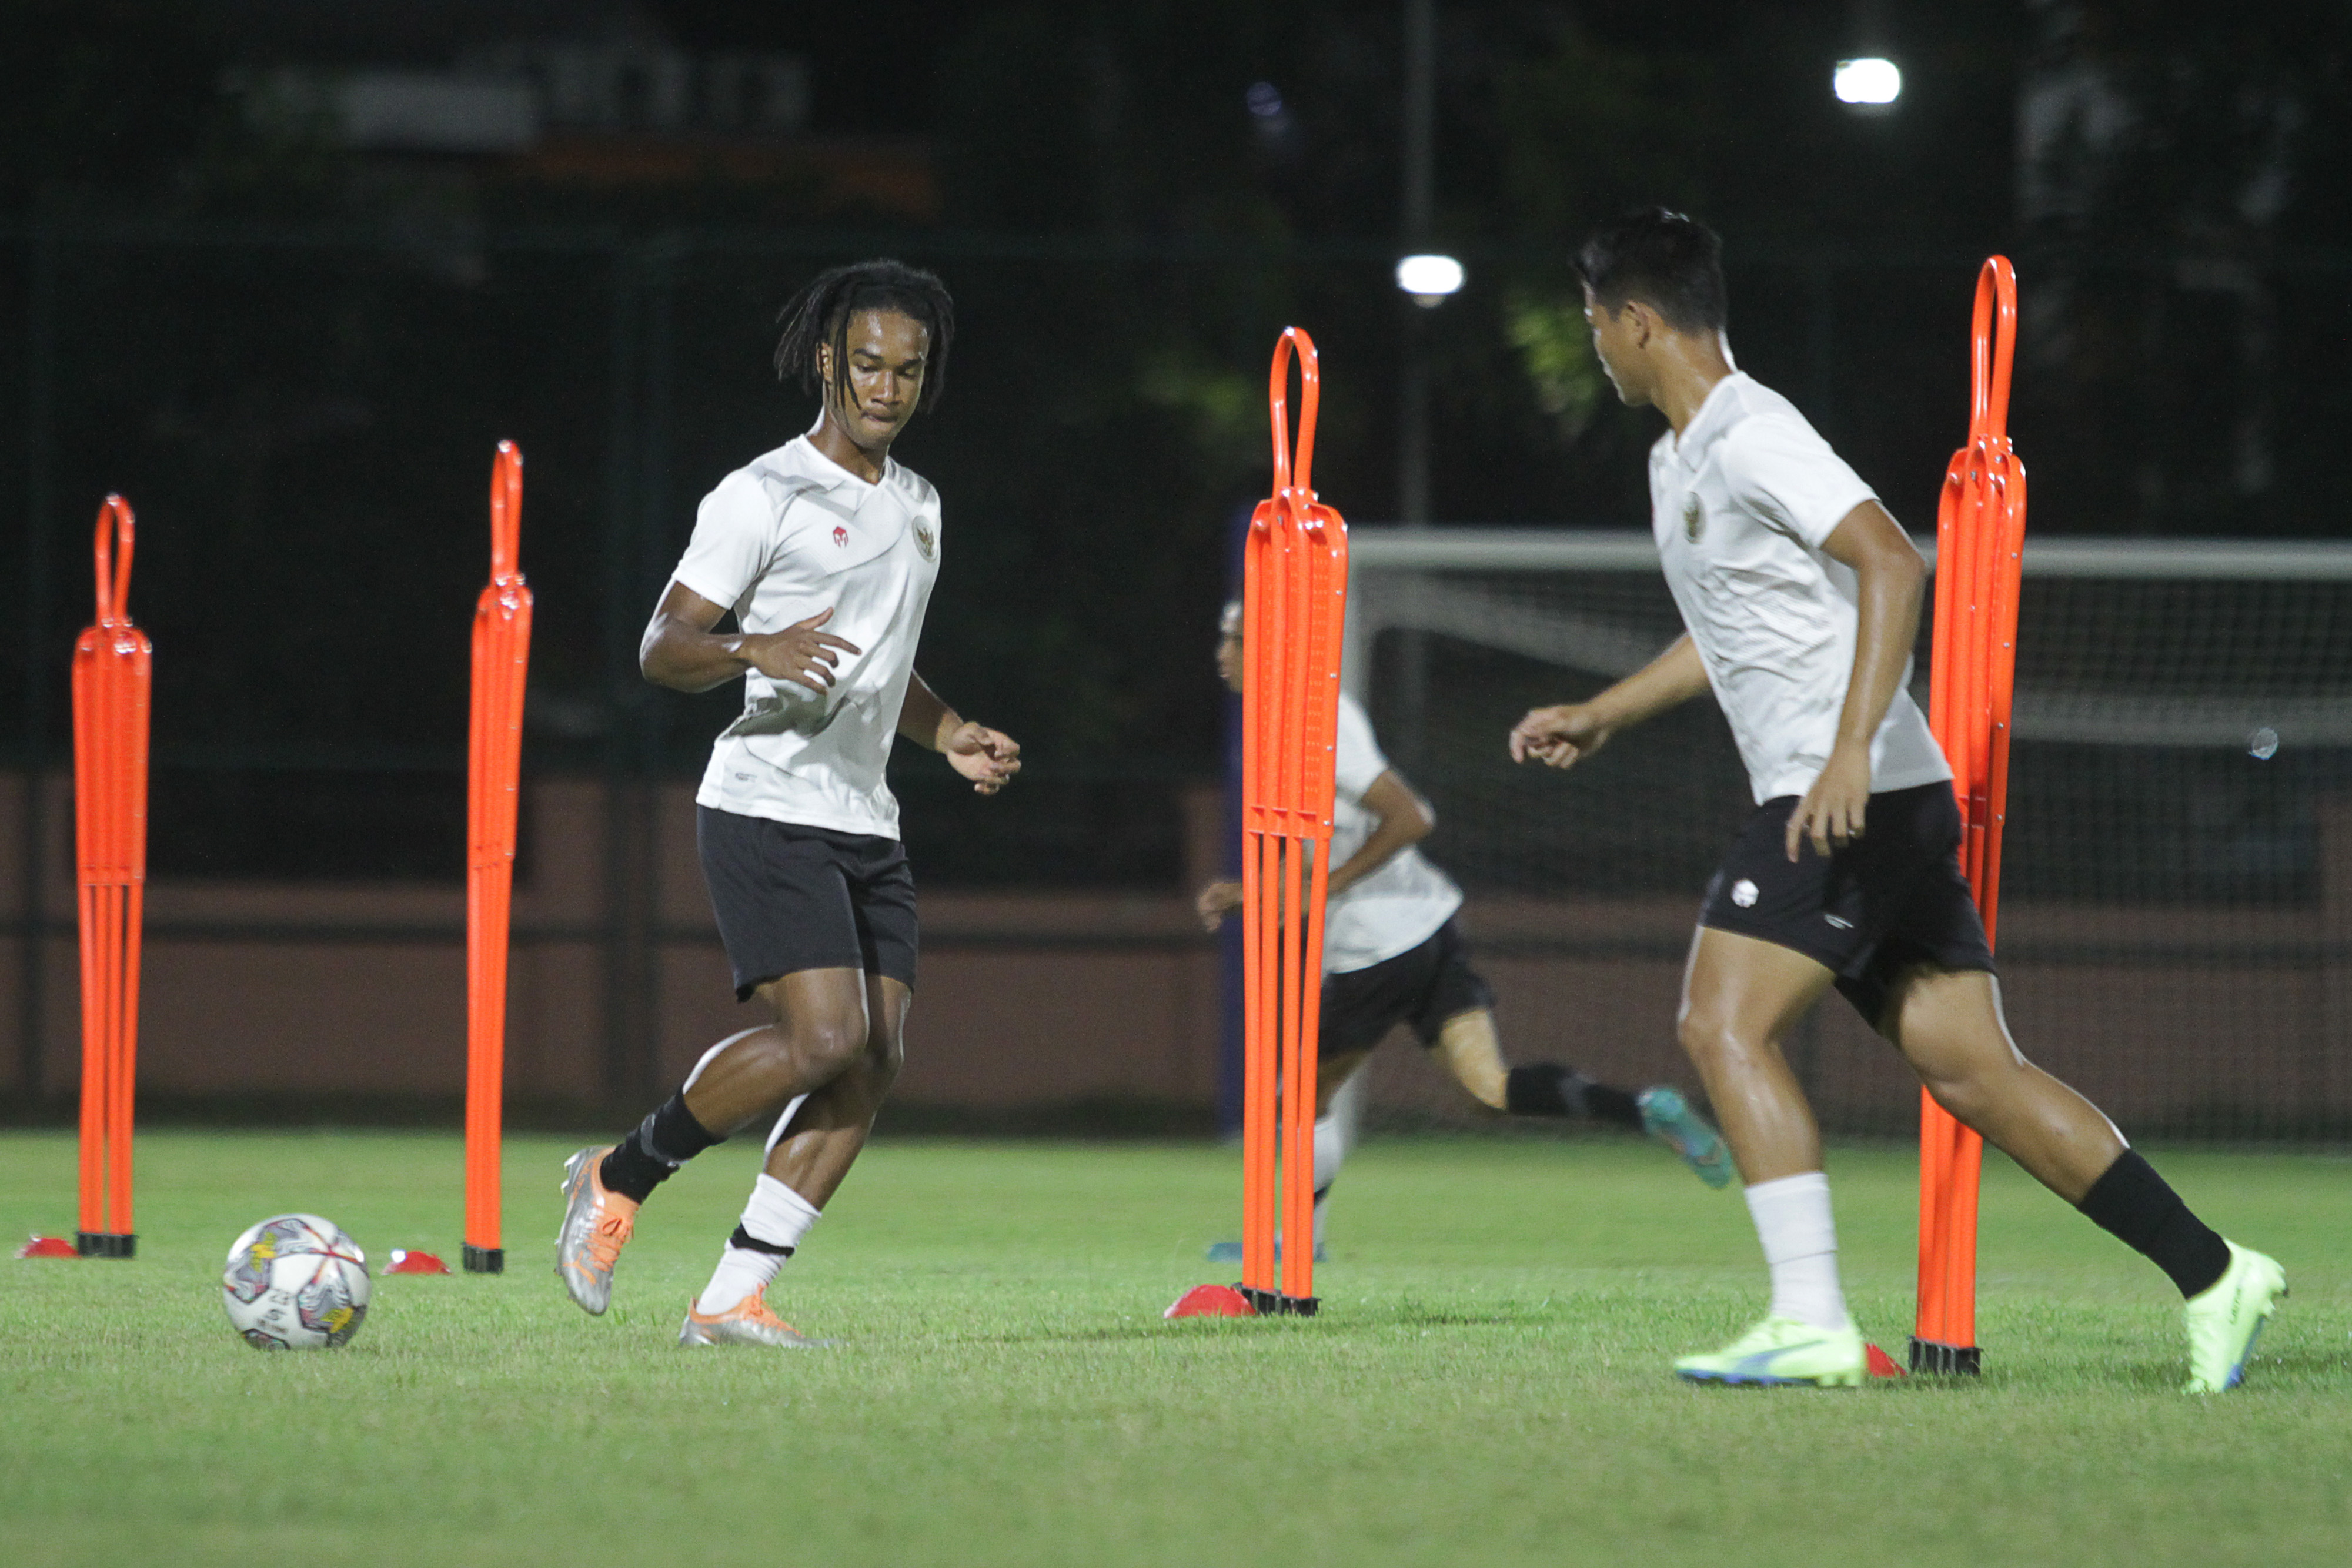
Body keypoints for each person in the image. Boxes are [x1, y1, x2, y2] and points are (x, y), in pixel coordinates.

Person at [1509, 208, 2284, 1391]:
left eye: (1593, 323)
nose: (1593, 345)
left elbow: (1892, 559)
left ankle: (1809, 1318)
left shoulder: (1750, 435)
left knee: (1719, 1024)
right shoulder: (1674, 459)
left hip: (1844, 794)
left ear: (1636, 321)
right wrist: (1601, 711)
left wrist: (1846, 750)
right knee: (1974, 1071)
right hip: (1885, 796)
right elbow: (1728, 631)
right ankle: (2217, 1272)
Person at [554, 259, 1021, 1347]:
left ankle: (731, 1296)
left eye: (908, 370)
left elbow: (882, 663)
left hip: (868, 817)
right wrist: (749, 645)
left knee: (878, 1054)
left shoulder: (919, 506)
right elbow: (662, 648)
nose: (887, 387)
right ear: (827, 361)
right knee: (824, 1038)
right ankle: (616, 1173)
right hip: (766, 802)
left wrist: (948, 730)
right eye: (867, 365)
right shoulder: (762, 493)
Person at [1197, 600, 1731, 1259]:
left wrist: (1317, 890)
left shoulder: (1314, 722)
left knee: (1297, 1098)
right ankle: (1644, 1109)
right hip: (1426, 930)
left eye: (1237, 640)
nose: (1223, 654)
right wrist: (1258, 891)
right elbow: (1325, 846)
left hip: (1377, 949)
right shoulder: (1282, 728)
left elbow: (1409, 816)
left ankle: (1298, 1247)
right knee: (1490, 1090)